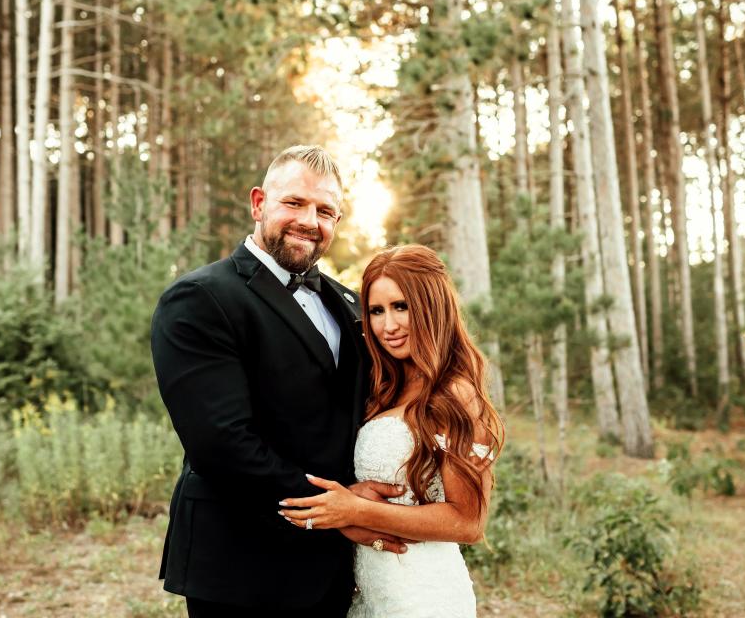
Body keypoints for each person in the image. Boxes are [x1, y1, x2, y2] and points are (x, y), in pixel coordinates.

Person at [150, 145, 408, 618]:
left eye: (325, 210)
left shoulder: (350, 303)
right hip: (240, 566)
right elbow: (220, 443)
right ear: (258, 204)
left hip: (332, 566)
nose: (310, 220)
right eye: (294, 203)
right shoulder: (200, 298)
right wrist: (341, 506)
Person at [279, 244, 505, 617]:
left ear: (432, 306)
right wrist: (350, 512)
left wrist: (355, 510)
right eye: (376, 311)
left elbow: (468, 522)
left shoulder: (454, 394)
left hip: (423, 596)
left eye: (401, 306)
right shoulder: (385, 386)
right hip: (371, 593)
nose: (388, 326)